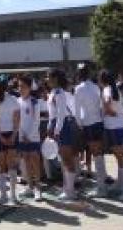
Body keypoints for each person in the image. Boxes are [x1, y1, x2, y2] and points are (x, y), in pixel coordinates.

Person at [95, 70, 123, 199]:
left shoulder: (106, 90)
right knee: (119, 155)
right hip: (119, 125)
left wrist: (110, 113)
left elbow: (106, 106)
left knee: (121, 156)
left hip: (113, 126)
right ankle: (122, 183)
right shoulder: (114, 88)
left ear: (102, 80)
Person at [73, 64, 108, 197]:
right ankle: (102, 185)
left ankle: (101, 188)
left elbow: (77, 110)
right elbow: (100, 106)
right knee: (99, 154)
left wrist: (80, 125)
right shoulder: (95, 87)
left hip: (88, 124)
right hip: (98, 122)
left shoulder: (78, 89)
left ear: (79, 74)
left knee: (96, 154)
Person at [46, 68, 78, 201]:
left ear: (55, 79)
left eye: (49, 77)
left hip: (63, 125)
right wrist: (50, 126)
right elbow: (52, 114)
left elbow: (61, 114)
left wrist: (57, 130)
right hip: (59, 124)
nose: (47, 79)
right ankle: (67, 188)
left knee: (67, 158)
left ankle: (70, 191)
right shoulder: (54, 92)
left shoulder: (59, 93)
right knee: (63, 159)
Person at [0, 77, 21, 205]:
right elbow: (17, 120)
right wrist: (13, 136)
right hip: (10, 134)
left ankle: (4, 196)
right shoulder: (14, 100)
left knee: (1, 166)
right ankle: (12, 196)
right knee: (11, 165)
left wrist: (1, 137)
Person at [16, 75, 44, 201]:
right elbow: (17, 120)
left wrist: (29, 135)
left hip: (33, 137)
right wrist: (22, 134)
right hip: (22, 136)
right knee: (25, 161)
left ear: (29, 87)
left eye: (23, 86)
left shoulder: (34, 101)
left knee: (35, 161)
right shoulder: (17, 101)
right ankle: (29, 186)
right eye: (19, 86)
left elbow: (36, 120)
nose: (20, 89)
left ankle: (38, 188)